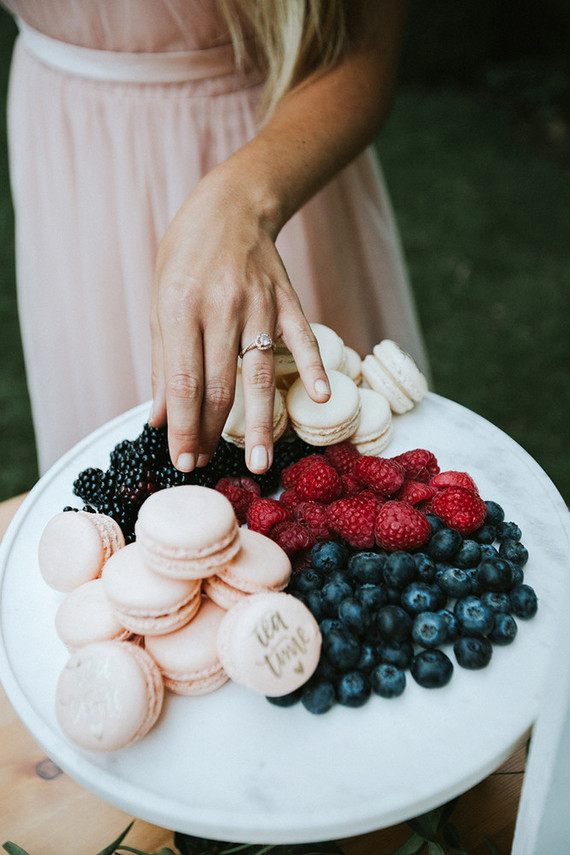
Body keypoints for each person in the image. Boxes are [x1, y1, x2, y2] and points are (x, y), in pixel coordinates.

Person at [5, 0, 428, 477]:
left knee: (337, 447)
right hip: (75, 162)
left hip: (281, 153)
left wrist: (245, 200)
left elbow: (366, 50)